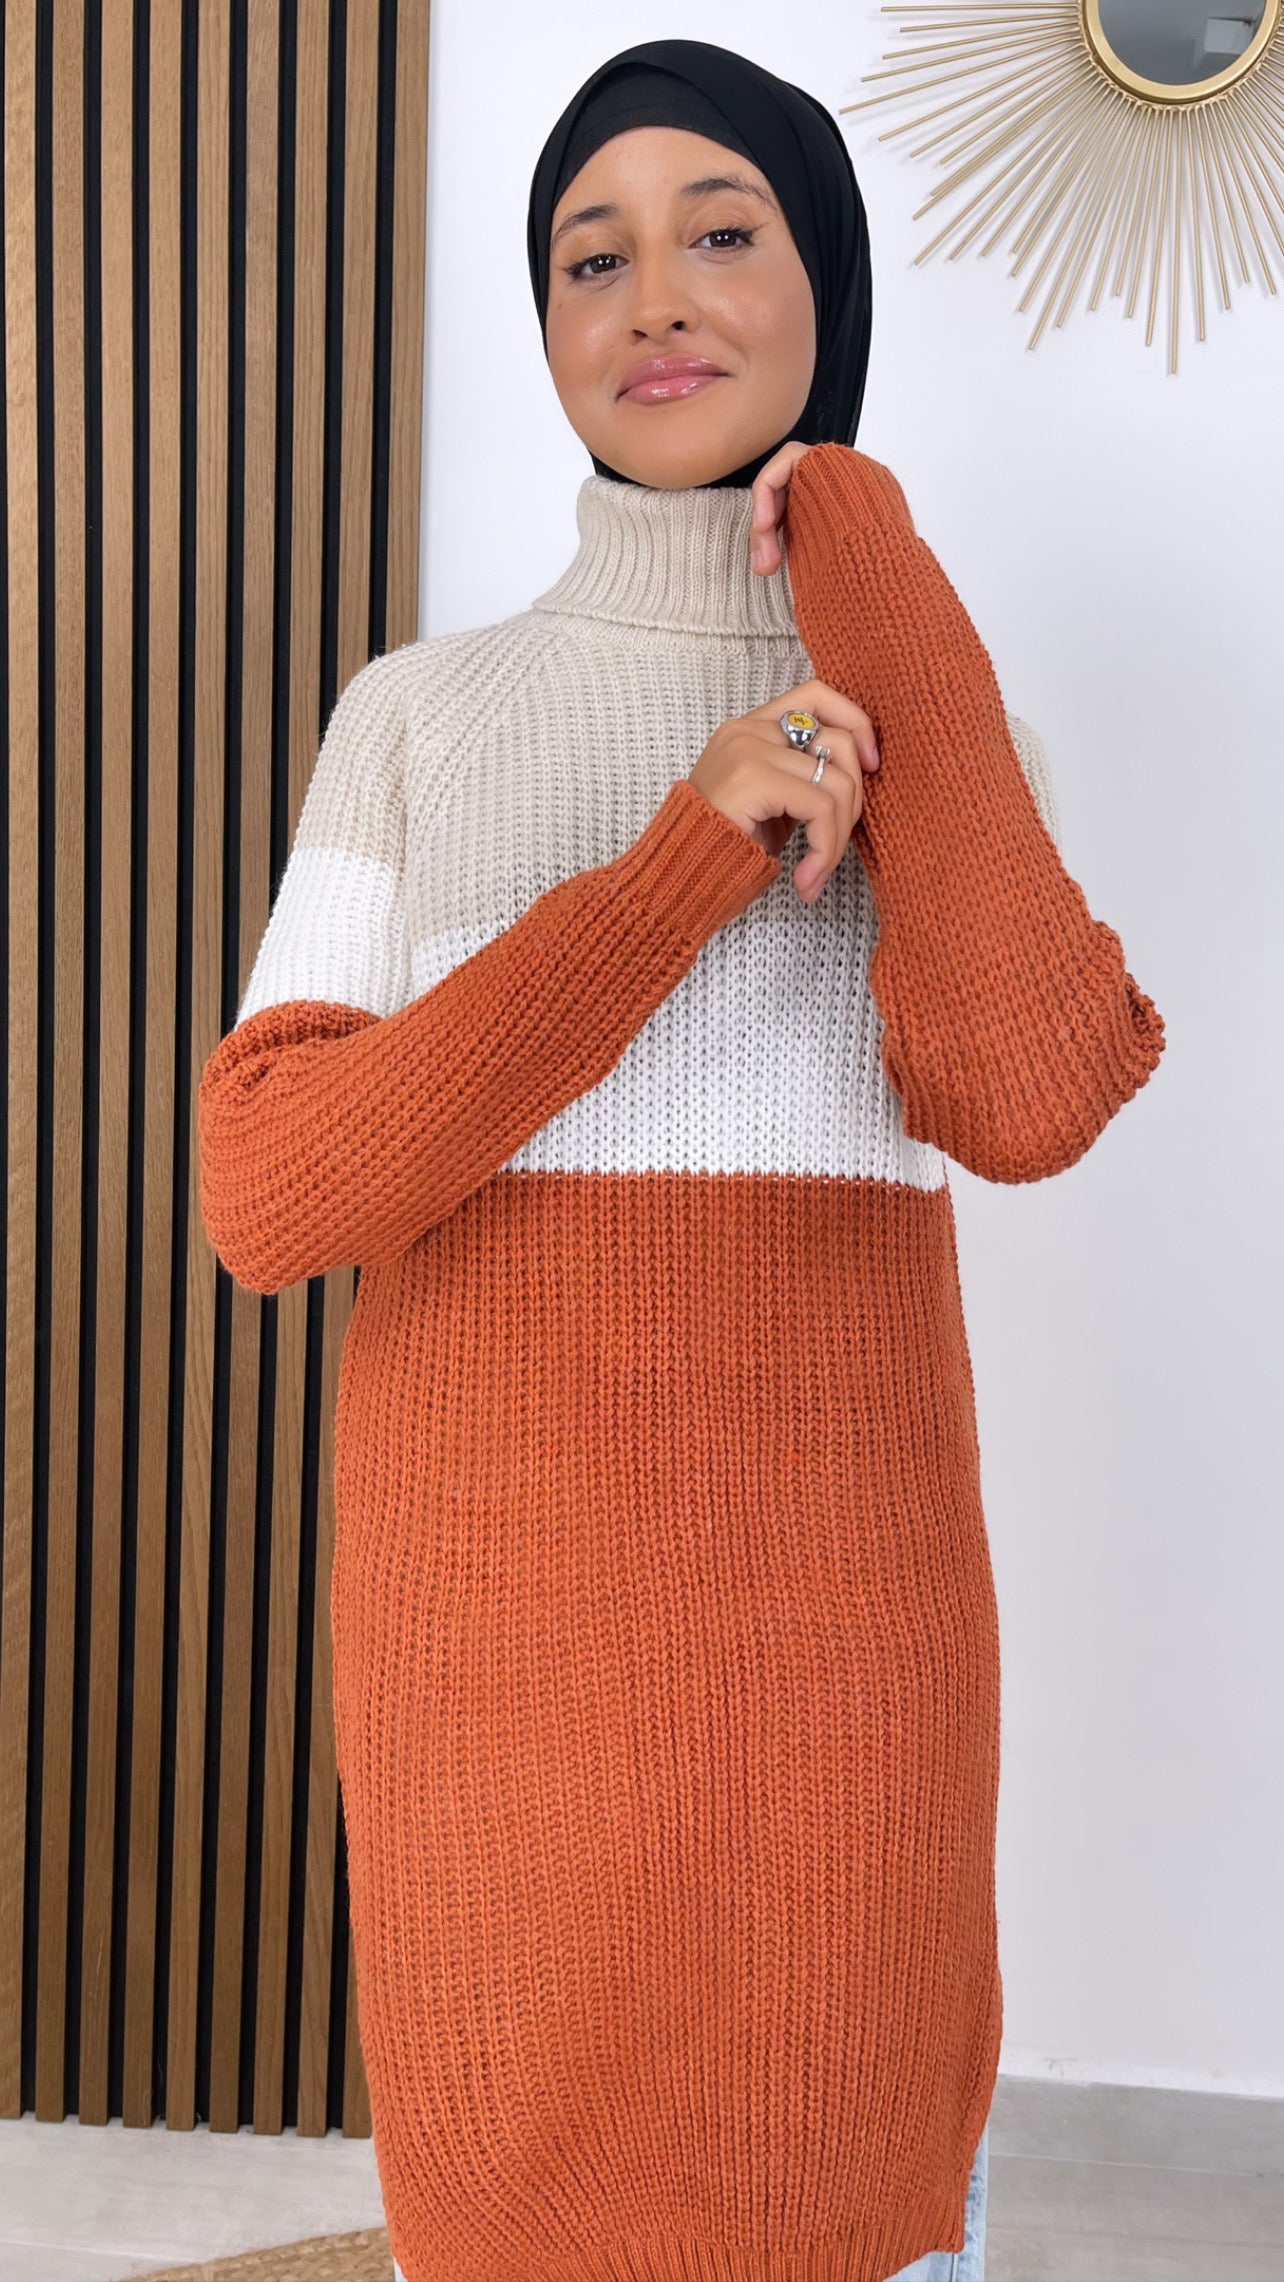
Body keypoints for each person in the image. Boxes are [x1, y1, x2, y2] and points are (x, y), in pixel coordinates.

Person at [198, 37, 1165, 2282]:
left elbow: (1028, 1095)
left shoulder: (942, 718)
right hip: (498, 1667)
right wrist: (678, 865)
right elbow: (273, 1196)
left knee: (852, 2204)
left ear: (827, 279)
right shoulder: (415, 720)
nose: (653, 295)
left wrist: (866, 556)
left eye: (723, 231)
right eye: (590, 253)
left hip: (842, 1670)